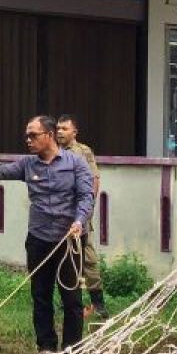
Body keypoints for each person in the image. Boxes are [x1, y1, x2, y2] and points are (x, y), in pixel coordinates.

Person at [0, 115, 94, 354]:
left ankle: (72, 352)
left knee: (72, 298)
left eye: (33, 135)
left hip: (70, 241)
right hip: (39, 240)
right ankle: (46, 348)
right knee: (41, 295)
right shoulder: (28, 165)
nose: (28, 140)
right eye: (27, 135)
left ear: (48, 135)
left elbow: (86, 196)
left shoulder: (76, 163)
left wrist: (79, 221)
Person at [55, 114, 109, 319]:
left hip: (79, 214)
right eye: (58, 128)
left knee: (87, 258)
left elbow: (94, 179)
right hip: (61, 214)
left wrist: (87, 209)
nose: (60, 132)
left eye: (64, 129)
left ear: (74, 132)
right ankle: (71, 301)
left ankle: (98, 303)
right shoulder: (56, 152)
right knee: (66, 258)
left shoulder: (82, 151)